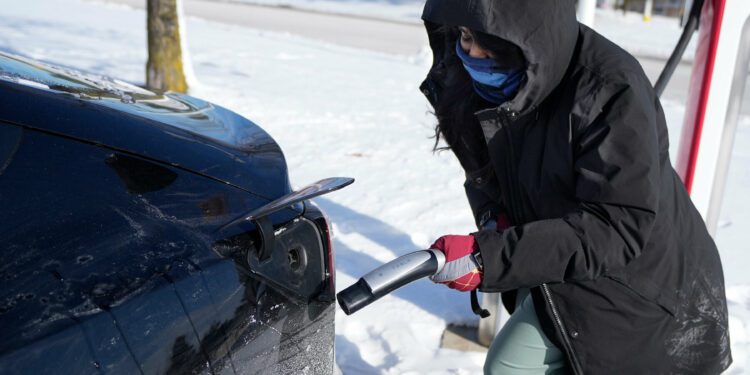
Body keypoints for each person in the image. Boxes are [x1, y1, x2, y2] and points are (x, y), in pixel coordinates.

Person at [418, 0, 732, 374]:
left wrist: (491, 258)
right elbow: (486, 175)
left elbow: (617, 226)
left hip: (646, 295)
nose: (472, 53)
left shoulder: (610, 89)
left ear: (525, 35)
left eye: (490, 43)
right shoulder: (481, 84)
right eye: (466, 36)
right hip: (566, 268)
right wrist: (493, 220)